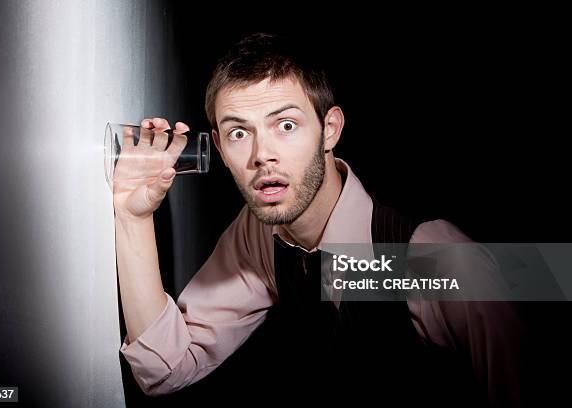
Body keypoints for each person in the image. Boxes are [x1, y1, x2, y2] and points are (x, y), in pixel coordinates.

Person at [114, 33, 522, 406]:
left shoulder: (436, 259)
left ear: (329, 130)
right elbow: (167, 368)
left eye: (286, 125)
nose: (261, 155)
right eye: (239, 133)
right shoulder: (260, 234)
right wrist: (134, 216)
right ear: (219, 148)